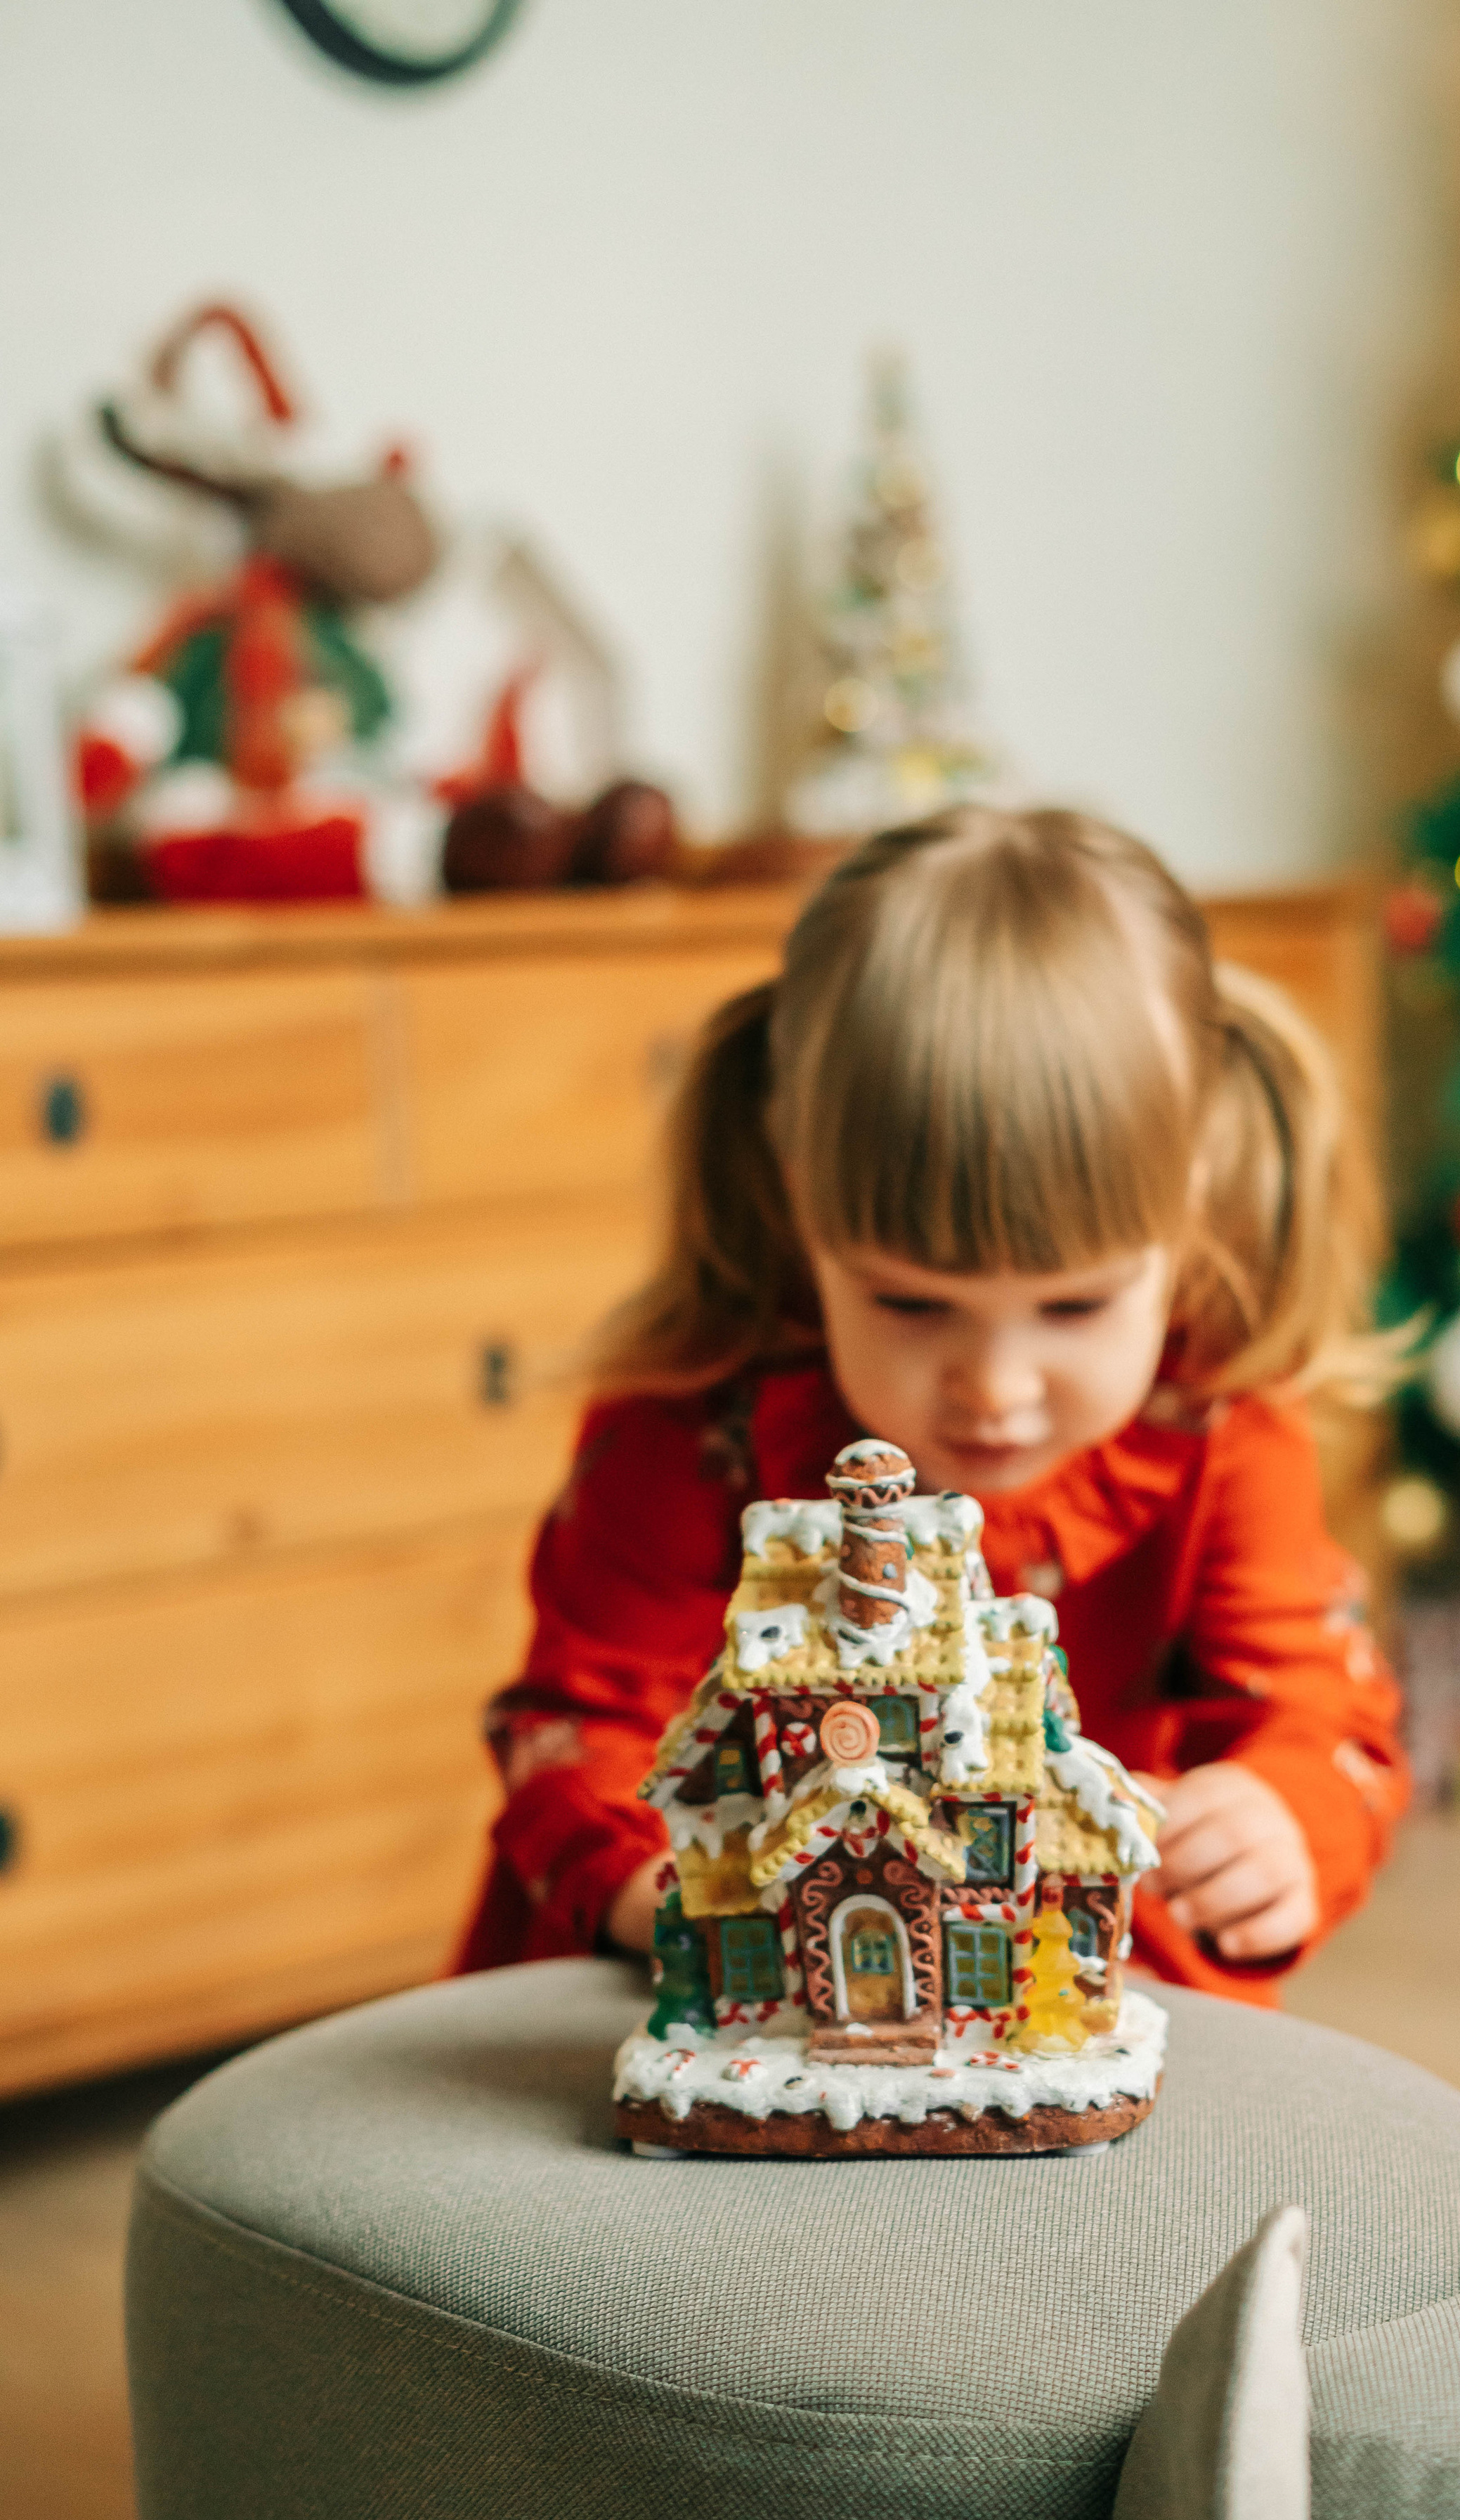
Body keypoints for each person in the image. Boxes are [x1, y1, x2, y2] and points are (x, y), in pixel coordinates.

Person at [455, 807, 1408, 2006]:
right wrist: (677, 1897)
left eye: (1075, 1306)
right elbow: (575, 1727)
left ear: (1196, 1196)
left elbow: (1321, 1710)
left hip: (1073, 1989)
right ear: (798, 1194)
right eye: (910, 1303)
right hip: (711, 1987)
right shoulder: (695, 1429)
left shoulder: (1218, 1421)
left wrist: (1280, 1818)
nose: (995, 1388)